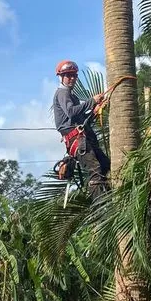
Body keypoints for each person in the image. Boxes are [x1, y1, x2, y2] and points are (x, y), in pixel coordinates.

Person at [52, 59, 110, 198]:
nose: (72, 78)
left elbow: (79, 118)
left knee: (105, 164)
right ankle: (100, 207)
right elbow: (71, 111)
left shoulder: (72, 95)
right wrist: (92, 101)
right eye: (68, 75)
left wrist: (94, 111)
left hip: (82, 136)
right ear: (61, 77)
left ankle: (107, 196)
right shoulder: (62, 93)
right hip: (76, 139)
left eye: (74, 75)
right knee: (95, 169)